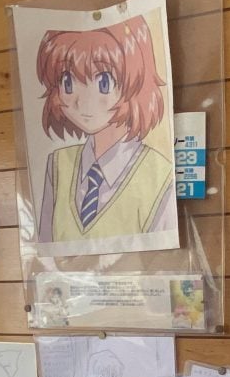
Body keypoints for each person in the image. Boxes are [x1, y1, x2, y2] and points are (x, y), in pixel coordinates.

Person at [35, 14, 174, 246]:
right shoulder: (58, 165)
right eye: (67, 83)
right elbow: (45, 254)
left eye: (103, 83)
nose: (83, 102)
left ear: (136, 83)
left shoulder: (161, 175)